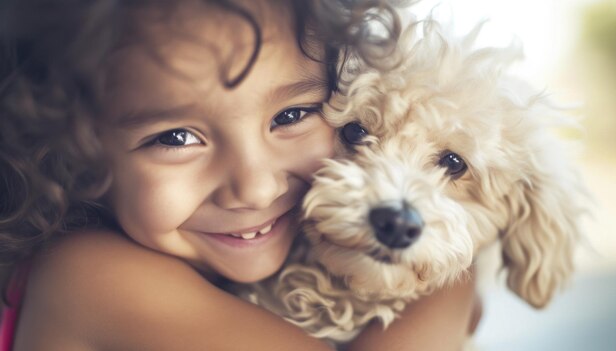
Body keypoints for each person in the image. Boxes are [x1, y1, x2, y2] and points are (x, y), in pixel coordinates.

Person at [0, 0, 480, 349]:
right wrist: (451, 285)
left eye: (291, 116)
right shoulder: (88, 276)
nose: (256, 186)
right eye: (176, 138)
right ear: (71, 151)